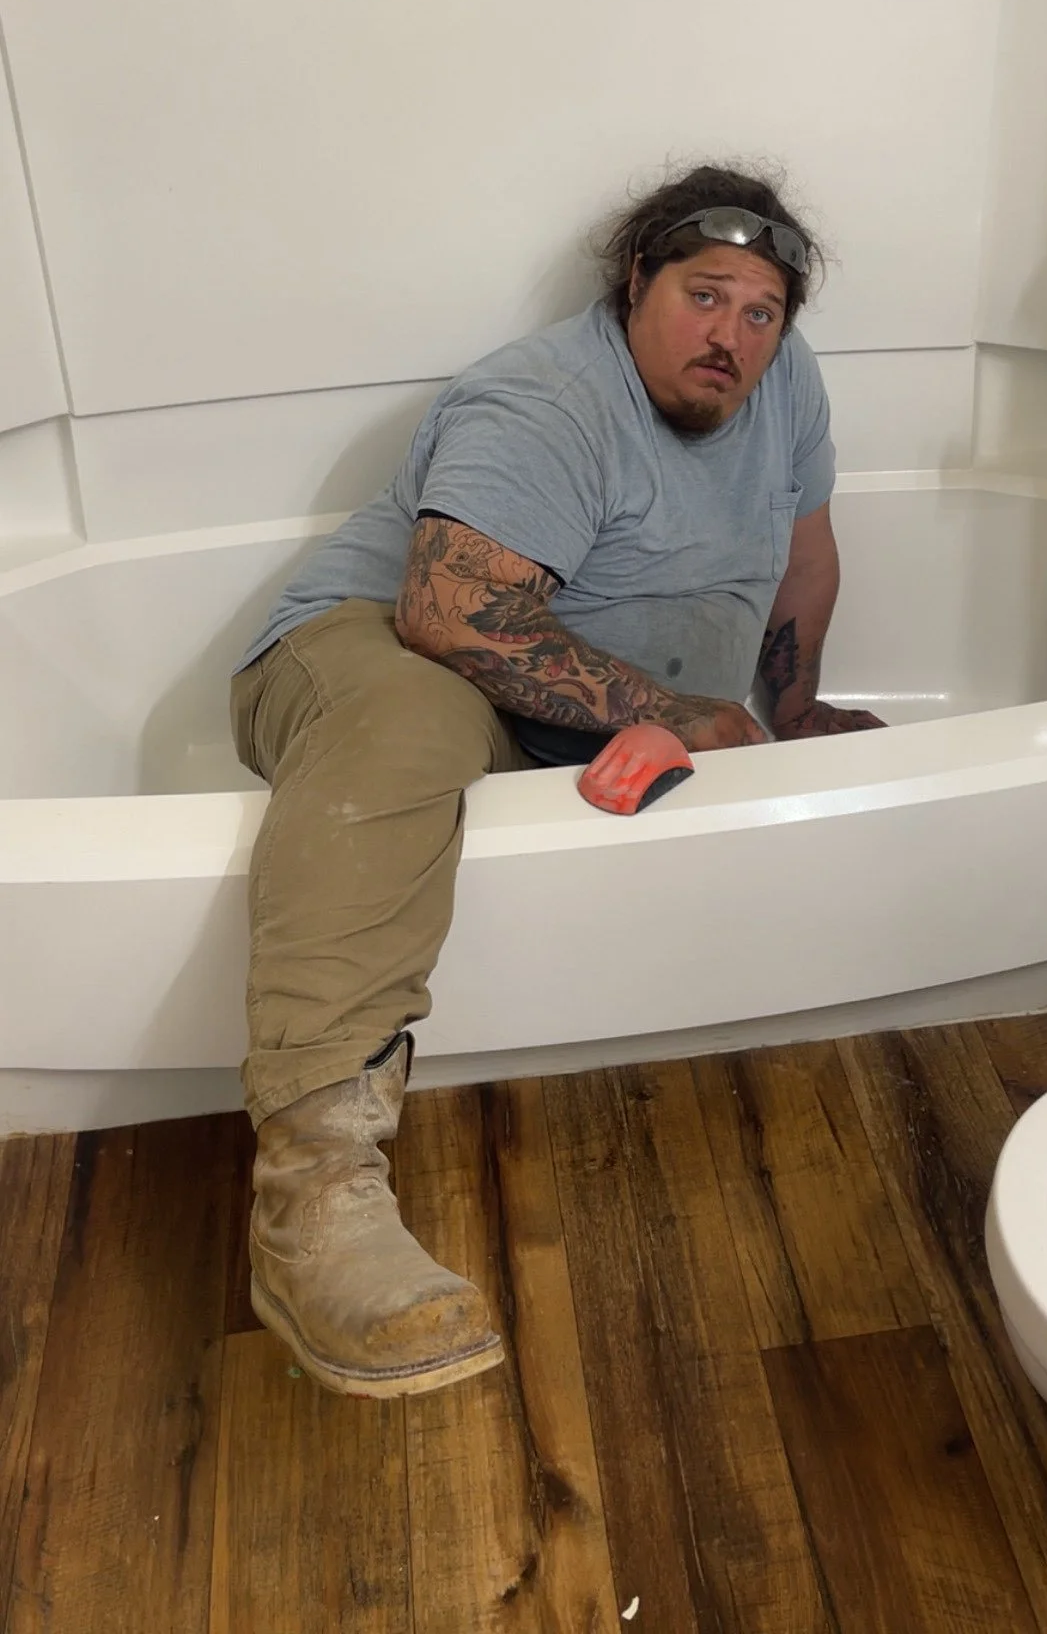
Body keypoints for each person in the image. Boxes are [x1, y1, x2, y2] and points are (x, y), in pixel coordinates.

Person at [229, 161, 882, 1400]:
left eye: (760, 313)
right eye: (703, 296)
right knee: (410, 727)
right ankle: (313, 1199)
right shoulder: (546, 400)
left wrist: (790, 711)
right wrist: (683, 709)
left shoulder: (781, 382)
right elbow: (451, 611)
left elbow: (805, 554)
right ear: (634, 281)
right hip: (374, 649)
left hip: (572, 704)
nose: (731, 336)